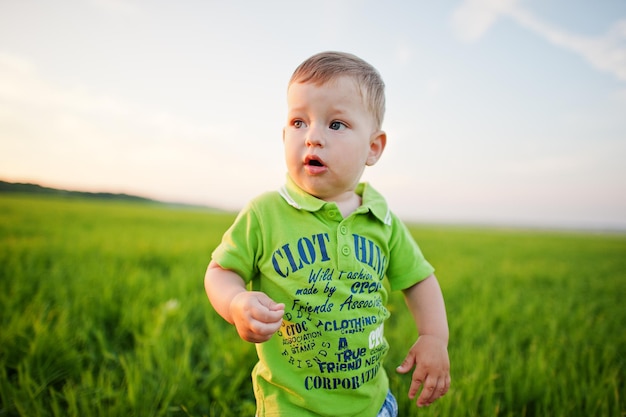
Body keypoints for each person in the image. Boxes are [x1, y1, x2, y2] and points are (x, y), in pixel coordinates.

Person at [204, 51, 450, 417]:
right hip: (290, 406)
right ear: (284, 133)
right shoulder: (266, 213)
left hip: (371, 404)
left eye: (336, 124)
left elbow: (419, 280)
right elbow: (221, 271)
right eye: (299, 122)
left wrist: (434, 337)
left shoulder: (382, 220)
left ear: (373, 147)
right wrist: (235, 302)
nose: (313, 137)